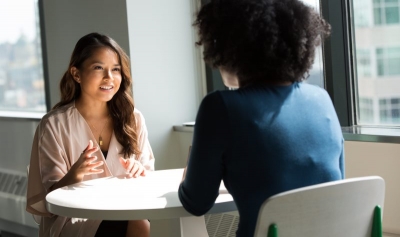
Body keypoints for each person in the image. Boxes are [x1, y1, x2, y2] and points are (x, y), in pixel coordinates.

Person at [178, 0, 345, 236]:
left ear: (229, 47)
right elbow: (336, 187)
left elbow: (196, 203)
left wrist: (189, 179)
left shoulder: (220, 107)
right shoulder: (322, 100)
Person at [26, 32, 154, 237]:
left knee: (139, 219)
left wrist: (139, 172)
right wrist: (74, 174)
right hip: (74, 219)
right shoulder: (54, 125)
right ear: (76, 74)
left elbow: (149, 180)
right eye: (98, 68)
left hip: (125, 211)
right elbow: (48, 200)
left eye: (115, 70)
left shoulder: (134, 119)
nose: (109, 78)